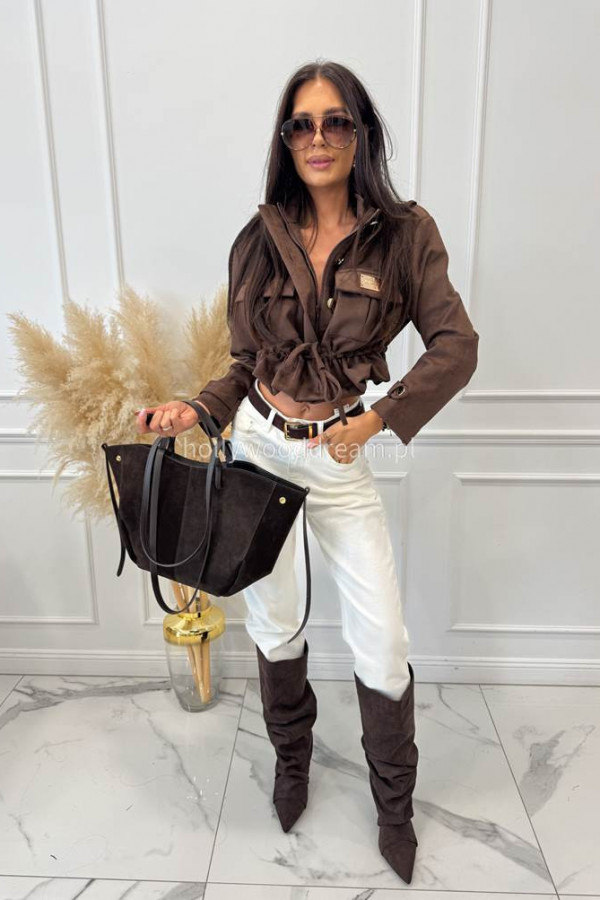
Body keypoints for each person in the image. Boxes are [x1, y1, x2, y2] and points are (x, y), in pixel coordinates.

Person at [135, 61, 479, 884]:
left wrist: (377, 418)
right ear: (285, 140)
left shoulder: (406, 234)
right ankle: (292, 766)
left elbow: (456, 346)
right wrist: (196, 410)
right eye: (301, 124)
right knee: (276, 623)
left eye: (335, 122)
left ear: (361, 133)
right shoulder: (257, 239)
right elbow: (244, 364)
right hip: (260, 448)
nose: (318, 138)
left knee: (383, 640)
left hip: (337, 456)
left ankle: (394, 810)